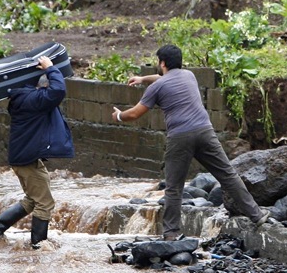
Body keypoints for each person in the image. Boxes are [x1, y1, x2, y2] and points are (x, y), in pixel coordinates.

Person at [111, 44, 270, 240]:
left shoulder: (157, 87)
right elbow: (163, 78)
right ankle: (257, 215)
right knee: (227, 174)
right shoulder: (189, 76)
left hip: (180, 137)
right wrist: (143, 79)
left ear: (162, 63)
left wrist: (119, 116)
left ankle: (171, 233)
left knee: (174, 186)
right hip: (205, 131)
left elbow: (135, 113)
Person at [0, 56, 75, 249]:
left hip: (24, 157)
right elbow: (58, 90)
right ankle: (38, 246)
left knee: (32, 200)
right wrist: (51, 68)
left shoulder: (21, 96)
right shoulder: (30, 99)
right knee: (45, 202)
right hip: (26, 159)